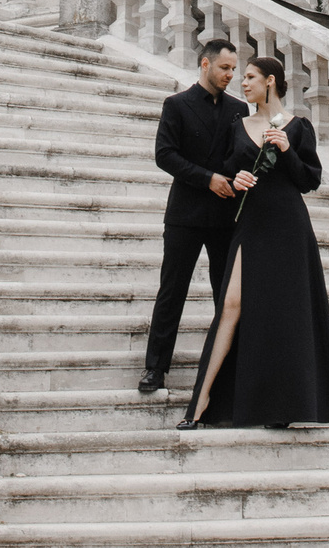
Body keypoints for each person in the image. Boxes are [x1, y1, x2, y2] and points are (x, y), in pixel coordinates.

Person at [179, 53, 329, 430]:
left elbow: (309, 181)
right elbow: (225, 170)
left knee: (285, 312)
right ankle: (201, 402)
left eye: (251, 76)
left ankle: (281, 407)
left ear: (270, 81)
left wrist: (286, 150)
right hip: (251, 222)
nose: (243, 82)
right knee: (232, 303)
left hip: (288, 225)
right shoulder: (238, 125)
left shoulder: (298, 126)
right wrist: (235, 180)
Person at [140, 38, 249, 396]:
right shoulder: (177, 105)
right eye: (224, 68)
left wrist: (239, 176)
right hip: (185, 213)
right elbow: (164, 155)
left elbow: (241, 155)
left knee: (226, 295)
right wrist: (207, 178)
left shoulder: (239, 109)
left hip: (225, 213)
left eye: (234, 69)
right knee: (172, 292)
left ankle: (230, 371)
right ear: (205, 64)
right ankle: (155, 368)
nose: (230, 75)